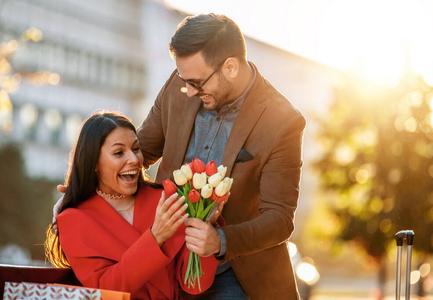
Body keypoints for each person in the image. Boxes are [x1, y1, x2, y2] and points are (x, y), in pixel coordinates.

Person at [136, 13, 307, 299]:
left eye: (198, 82)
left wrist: (220, 241)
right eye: (184, 79)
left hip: (235, 275)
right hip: (166, 263)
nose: (189, 91)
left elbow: (279, 219)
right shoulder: (179, 88)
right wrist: (89, 177)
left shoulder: (283, 121)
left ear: (230, 67)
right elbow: (140, 150)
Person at [45, 111, 223, 299]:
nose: (134, 159)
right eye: (119, 152)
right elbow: (106, 289)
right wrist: (156, 237)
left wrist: (205, 226)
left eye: (136, 149)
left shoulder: (164, 201)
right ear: (94, 161)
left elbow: (193, 284)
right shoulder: (74, 220)